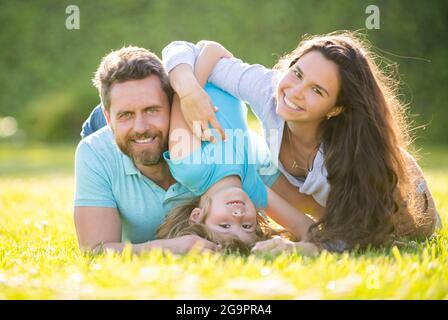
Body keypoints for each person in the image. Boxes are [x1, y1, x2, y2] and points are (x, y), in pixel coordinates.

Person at [162, 31, 441, 252]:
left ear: (335, 108)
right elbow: (196, 50)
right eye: (297, 73)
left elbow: (355, 237)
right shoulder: (271, 92)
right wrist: (190, 94)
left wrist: (304, 248)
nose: (294, 92)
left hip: (401, 201)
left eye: (316, 90)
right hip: (326, 206)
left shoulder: (346, 158)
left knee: (400, 236)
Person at [155, 43, 315, 253]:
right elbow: (309, 229)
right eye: (247, 226)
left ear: (197, 216)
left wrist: (210, 57)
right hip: (225, 70)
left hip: (190, 65)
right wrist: (292, 249)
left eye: (225, 225)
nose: (238, 216)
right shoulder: (253, 189)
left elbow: (186, 97)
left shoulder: (191, 169)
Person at [74, 46, 220, 254]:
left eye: (152, 110)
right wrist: (178, 246)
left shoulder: (209, 139)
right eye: (126, 114)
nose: (141, 127)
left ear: (172, 106)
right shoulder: (94, 151)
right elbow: (95, 251)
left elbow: (204, 50)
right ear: (109, 119)